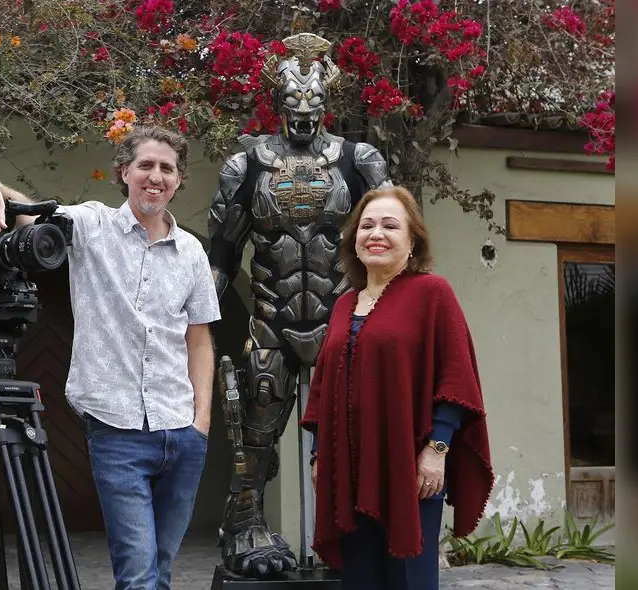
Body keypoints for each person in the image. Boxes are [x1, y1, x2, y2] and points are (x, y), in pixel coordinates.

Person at [0, 125, 221, 590]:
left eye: (167, 168)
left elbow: (199, 339)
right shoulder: (92, 225)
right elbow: (29, 216)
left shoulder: (192, 253)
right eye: (145, 165)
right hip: (117, 433)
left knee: (161, 571)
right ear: (124, 171)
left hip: (182, 432)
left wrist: (201, 422)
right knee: (139, 575)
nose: (155, 176)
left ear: (179, 179)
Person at [206, 32, 391, 577]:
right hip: (271, 319)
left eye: (313, 106)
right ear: (279, 104)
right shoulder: (248, 166)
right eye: (293, 105)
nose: (304, 115)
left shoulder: (361, 162)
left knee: (354, 439)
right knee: (255, 439)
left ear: (326, 105)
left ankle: (353, 536)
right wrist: (192, 319)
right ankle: (244, 528)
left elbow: (391, 242)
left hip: (345, 321)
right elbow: (221, 254)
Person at [299, 185, 494, 590]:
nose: (376, 234)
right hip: (348, 470)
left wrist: (437, 450)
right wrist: (320, 454)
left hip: (411, 467)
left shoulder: (432, 294)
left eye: (390, 225)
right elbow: (322, 388)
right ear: (354, 239)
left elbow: (457, 377)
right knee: (360, 579)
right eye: (367, 225)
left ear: (412, 241)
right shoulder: (343, 305)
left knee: (410, 580)